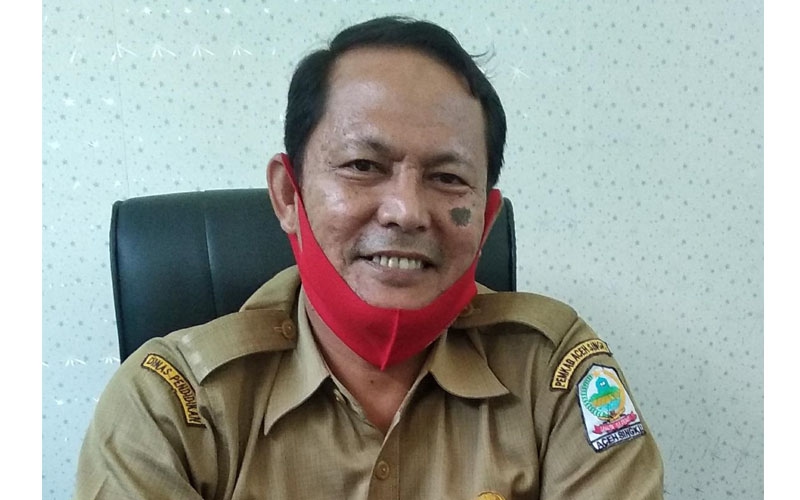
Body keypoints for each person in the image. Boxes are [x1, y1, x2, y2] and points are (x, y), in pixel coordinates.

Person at [74, 16, 664, 500]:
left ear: (485, 222)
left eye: (447, 177)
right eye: (363, 166)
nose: (406, 211)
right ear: (288, 196)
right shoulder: (170, 404)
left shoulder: (556, 373)